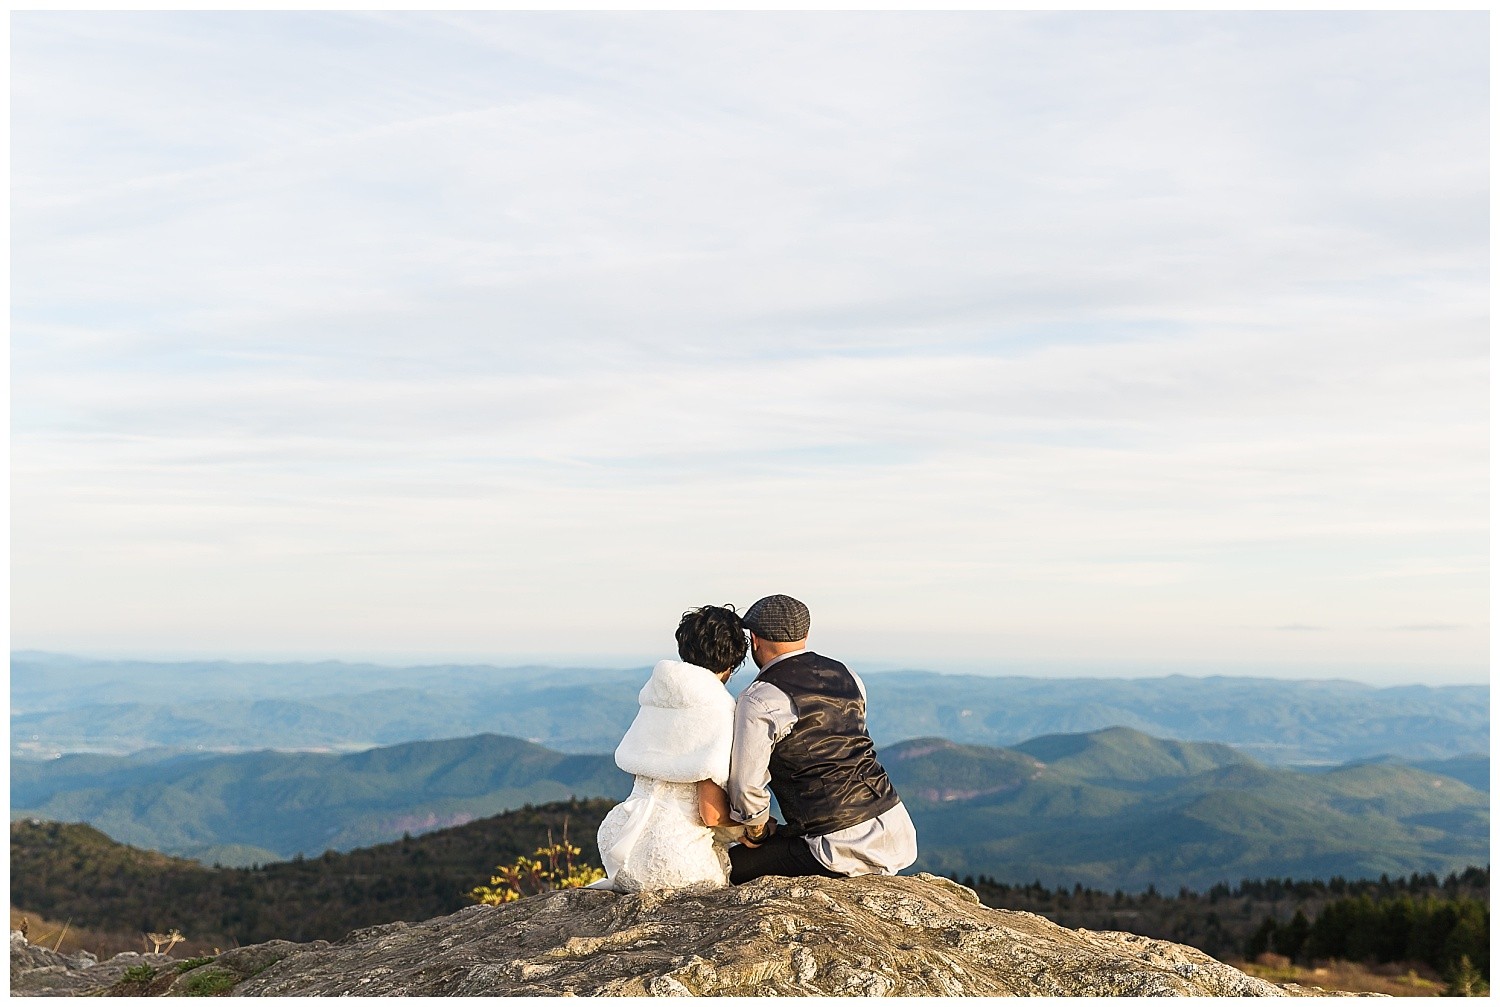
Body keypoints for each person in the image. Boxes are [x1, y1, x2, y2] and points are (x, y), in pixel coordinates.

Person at [725, 594, 918, 884]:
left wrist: (757, 830)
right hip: (895, 826)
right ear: (805, 634)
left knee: (724, 868)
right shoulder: (846, 674)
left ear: (755, 640)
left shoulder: (760, 698)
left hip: (835, 845)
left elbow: (746, 787)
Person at [594, 605, 747, 892]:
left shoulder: (657, 697)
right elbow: (710, 813)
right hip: (672, 857)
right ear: (733, 662)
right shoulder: (718, 708)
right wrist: (749, 829)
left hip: (620, 839)